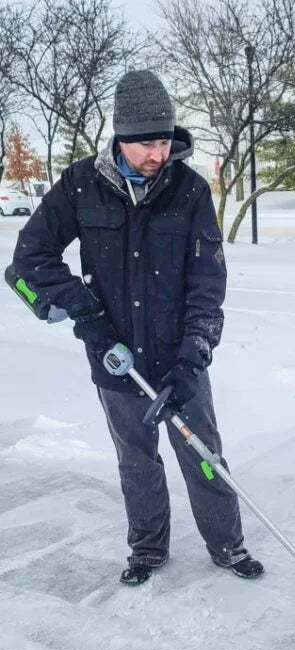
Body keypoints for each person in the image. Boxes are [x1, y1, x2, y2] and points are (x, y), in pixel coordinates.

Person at [9, 69, 264, 586]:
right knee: (137, 460)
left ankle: (228, 546)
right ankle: (148, 549)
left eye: (165, 140)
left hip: (177, 357)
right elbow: (30, 257)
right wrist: (87, 315)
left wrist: (194, 355)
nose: (158, 154)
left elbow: (207, 282)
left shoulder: (189, 191)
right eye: (146, 142)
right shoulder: (80, 185)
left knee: (203, 454)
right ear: (120, 138)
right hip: (114, 356)